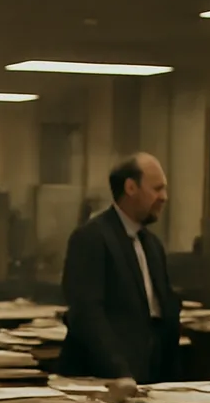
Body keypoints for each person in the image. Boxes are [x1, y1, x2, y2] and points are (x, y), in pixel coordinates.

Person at [58, 153, 181, 384]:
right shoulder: (91, 237)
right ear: (131, 187)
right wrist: (119, 372)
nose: (164, 197)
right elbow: (87, 315)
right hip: (103, 377)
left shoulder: (152, 244)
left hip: (149, 377)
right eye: (157, 189)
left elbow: (162, 314)